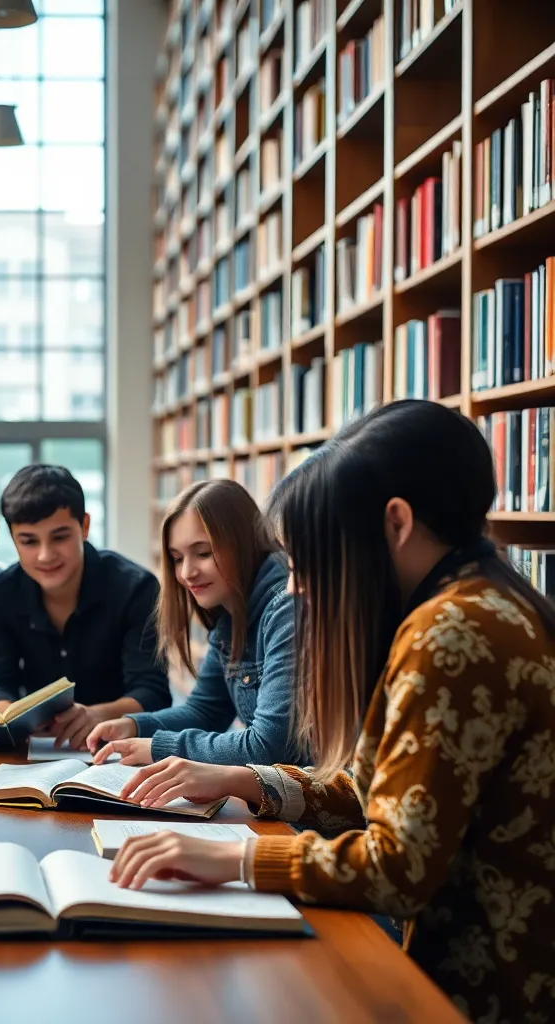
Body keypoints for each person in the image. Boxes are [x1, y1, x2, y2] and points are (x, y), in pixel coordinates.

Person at [107, 401, 555, 1024]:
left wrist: (234, 859)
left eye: (313, 557)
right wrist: (244, 779)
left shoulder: (451, 633)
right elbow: (371, 788)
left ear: (395, 523)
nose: (298, 585)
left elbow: (396, 868)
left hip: (477, 988)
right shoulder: (477, 601)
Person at [86, 479, 303, 767]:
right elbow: (205, 711)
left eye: (203, 553)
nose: (187, 572)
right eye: (176, 559)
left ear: (243, 542)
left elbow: (267, 747)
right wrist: (134, 726)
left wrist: (160, 747)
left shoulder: (286, 607)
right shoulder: (230, 611)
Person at [0, 465, 170, 749]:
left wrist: (95, 714)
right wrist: (10, 715)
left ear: (85, 526)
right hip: (37, 747)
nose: (45, 555)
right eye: (28, 541)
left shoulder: (136, 588)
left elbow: (152, 692)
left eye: (60, 536)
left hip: (118, 746)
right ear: (13, 539)